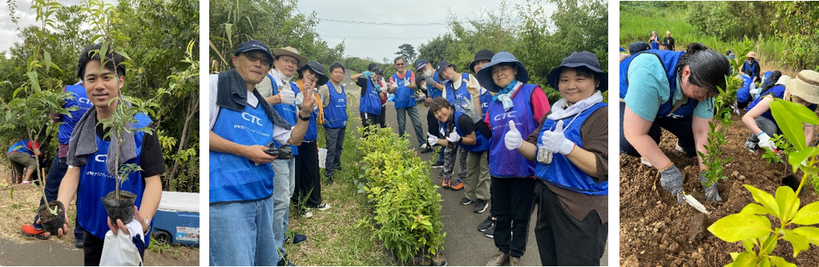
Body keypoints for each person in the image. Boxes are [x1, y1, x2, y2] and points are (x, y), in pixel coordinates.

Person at [48, 43, 165, 266]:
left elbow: (153, 182)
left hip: (129, 230)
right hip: (92, 226)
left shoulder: (141, 127)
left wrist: (143, 223)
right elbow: (73, 173)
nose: (99, 85)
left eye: (107, 77)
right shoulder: (82, 130)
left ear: (120, 81)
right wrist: (60, 207)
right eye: (91, 79)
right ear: (83, 83)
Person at [208, 40, 314, 266]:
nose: (258, 64)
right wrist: (246, 151)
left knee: (264, 261)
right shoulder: (215, 85)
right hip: (226, 197)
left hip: (262, 196)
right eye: (252, 58)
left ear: (268, 68)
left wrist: (304, 113)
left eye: (263, 61)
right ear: (235, 60)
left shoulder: (261, 105)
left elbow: (293, 138)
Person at [508, 51, 608, 265]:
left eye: (579, 78)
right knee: (550, 259)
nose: (571, 85)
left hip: (580, 206)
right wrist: (518, 144)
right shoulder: (554, 115)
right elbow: (535, 151)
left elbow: (602, 168)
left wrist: (567, 147)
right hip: (546, 198)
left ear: (596, 81)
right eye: (564, 80)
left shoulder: (601, 114)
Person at [619, 43, 731, 203]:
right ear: (686, 73)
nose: (702, 99)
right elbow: (634, 133)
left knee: (694, 143)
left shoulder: (706, 85)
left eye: (708, 96)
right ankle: (649, 140)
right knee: (632, 142)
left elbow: (702, 132)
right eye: (700, 94)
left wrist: (708, 173)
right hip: (628, 98)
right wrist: (667, 169)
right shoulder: (649, 74)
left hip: (667, 105)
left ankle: (678, 140)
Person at [476, 52, 550, 266]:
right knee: (499, 214)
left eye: (504, 69)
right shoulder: (495, 101)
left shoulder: (531, 92)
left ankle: (516, 253)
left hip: (525, 168)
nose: (499, 74)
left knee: (520, 215)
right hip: (499, 166)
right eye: (495, 72)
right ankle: (502, 250)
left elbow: (546, 124)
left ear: (515, 70)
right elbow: (490, 133)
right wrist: (473, 120)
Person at [21, 82, 91, 246]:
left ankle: (40, 226)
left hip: (67, 150)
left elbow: (54, 118)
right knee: (83, 193)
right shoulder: (96, 93)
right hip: (89, 152)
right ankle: (81, 236)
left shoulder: (69, 90)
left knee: (51, 189)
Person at [256, 45, 309, 256]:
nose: (291, 64)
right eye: (286, 60)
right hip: (274, 150)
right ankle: (275, 251)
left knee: (286, 195)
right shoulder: (267, 80)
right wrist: (278, 98)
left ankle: (283, 234)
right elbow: (253, 105)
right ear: (275, 61)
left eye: (294, 62)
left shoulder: (288, 85)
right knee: (279, 201)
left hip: (289, 148)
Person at [427, 97, 491, 213]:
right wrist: (437, 140)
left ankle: (483, 199)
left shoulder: (462, 119)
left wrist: (460, 139)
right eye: (436, 113)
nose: (439, 114)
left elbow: (472, 140)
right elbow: (451, 143)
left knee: (483, 173)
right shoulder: (447, 122)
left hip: (484, 144)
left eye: (441, 110)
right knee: (471, 170)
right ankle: (470, 195)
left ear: (448, 107)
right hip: (472, 147)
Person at [742, 72, 819, 152]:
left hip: (781, 118)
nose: (803, 105)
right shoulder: (777, 94)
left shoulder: (812, 105)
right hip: (761, 114)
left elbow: (808, 131)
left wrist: (802, 152)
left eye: (808, 101)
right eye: (800, 99)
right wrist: (762, 135)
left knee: (793, 140)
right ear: (791, 92)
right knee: (770, 129)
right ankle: (752, 140)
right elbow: (747, 117)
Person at [293, 60, 332, 216]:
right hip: (295, 138)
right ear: (303, 72)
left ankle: (315, 201)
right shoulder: (293, 88)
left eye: (316, 77)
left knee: (312, 171)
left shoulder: (316, 95)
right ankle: (300, 204)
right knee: (298, 174)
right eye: (311, 73)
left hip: (310, 136)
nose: (313, 77)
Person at [435, 60, 481, 191]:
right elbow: (442, 105)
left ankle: (462, 178)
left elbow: (478, 96)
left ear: (452, 66)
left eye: (446, 69)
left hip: (467, 123)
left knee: (464, 153)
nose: (445, 74)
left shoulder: (468, 78)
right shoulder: (447, 87)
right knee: (449, 150)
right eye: (442, 73)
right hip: (452, 124)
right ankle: (447, 176)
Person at [468, 49, 499, 236]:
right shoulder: (477, 88)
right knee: (494, 182)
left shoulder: (501, 87)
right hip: (488, 137)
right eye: (477, 64)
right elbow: (480, 118)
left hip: (506, 143)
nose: (479, 66)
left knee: (496, 179)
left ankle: (501, 222)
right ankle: (495, 216)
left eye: (484, 62)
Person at [318, 62, 348, 184]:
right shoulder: (325, 87)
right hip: (331, 126)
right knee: (331, 149)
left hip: (342, 124)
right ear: (330, 73)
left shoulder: (342, 88)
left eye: (341, 72)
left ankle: (337, 166)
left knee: (339, 147)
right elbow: (318, 105)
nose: (338, 74)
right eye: (336, 72)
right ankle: (329, 174)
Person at [388, 57, 426, 151]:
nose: (400, 66)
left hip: (411, 102)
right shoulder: (392, 77)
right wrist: (394, 88)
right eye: (398, 64)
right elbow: (391, 91)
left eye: (401, 64)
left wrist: (408, 84)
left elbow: (413, 85)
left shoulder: (410, 73)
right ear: (395, 65)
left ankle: (422, 142)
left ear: (404, 64)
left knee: (417, 123)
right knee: (401, 125)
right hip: (399, 103)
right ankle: (402, 144)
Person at [416, 59, 446, 161]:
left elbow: (449, 89)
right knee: (442, 133)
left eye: (424, 68)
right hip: (437, 112)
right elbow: (431, 98)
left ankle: (444, 160)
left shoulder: (441, 74)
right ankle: (443, 160)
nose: (423, 72)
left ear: (429, 64)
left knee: (446, 135)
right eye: (420, 71)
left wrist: (435, 84)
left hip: (446, 110)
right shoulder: (427, 81)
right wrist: (424, 100)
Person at [352, 65, 385, 136]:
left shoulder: (377, 84)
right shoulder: (365, 81)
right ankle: (365, 146)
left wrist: (379, 89)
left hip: (375, 112)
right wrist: (362, 74)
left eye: (379, 74)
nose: (378, 75)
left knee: (374, 131)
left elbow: (382, 97)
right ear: (372, 73)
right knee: (367, 130)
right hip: (367, 110)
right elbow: (352, 78)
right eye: (376, 73)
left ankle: (372, 146)